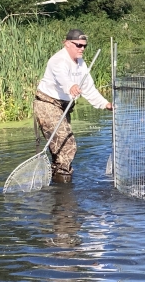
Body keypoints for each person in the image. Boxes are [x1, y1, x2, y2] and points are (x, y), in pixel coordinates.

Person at [33, 29, 113, 183]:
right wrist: (71, 86)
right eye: (78, 45)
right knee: (68, 145)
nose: (82, 48)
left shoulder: (81, 63)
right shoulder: (58, 60)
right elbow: (62, 78)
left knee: (61, 149)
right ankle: (64, 189)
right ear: (67, 44)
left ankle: (59, 184)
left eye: (84, 46)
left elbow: (89, 88)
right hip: (47, 103)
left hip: (63, 106)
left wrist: (106, 104)